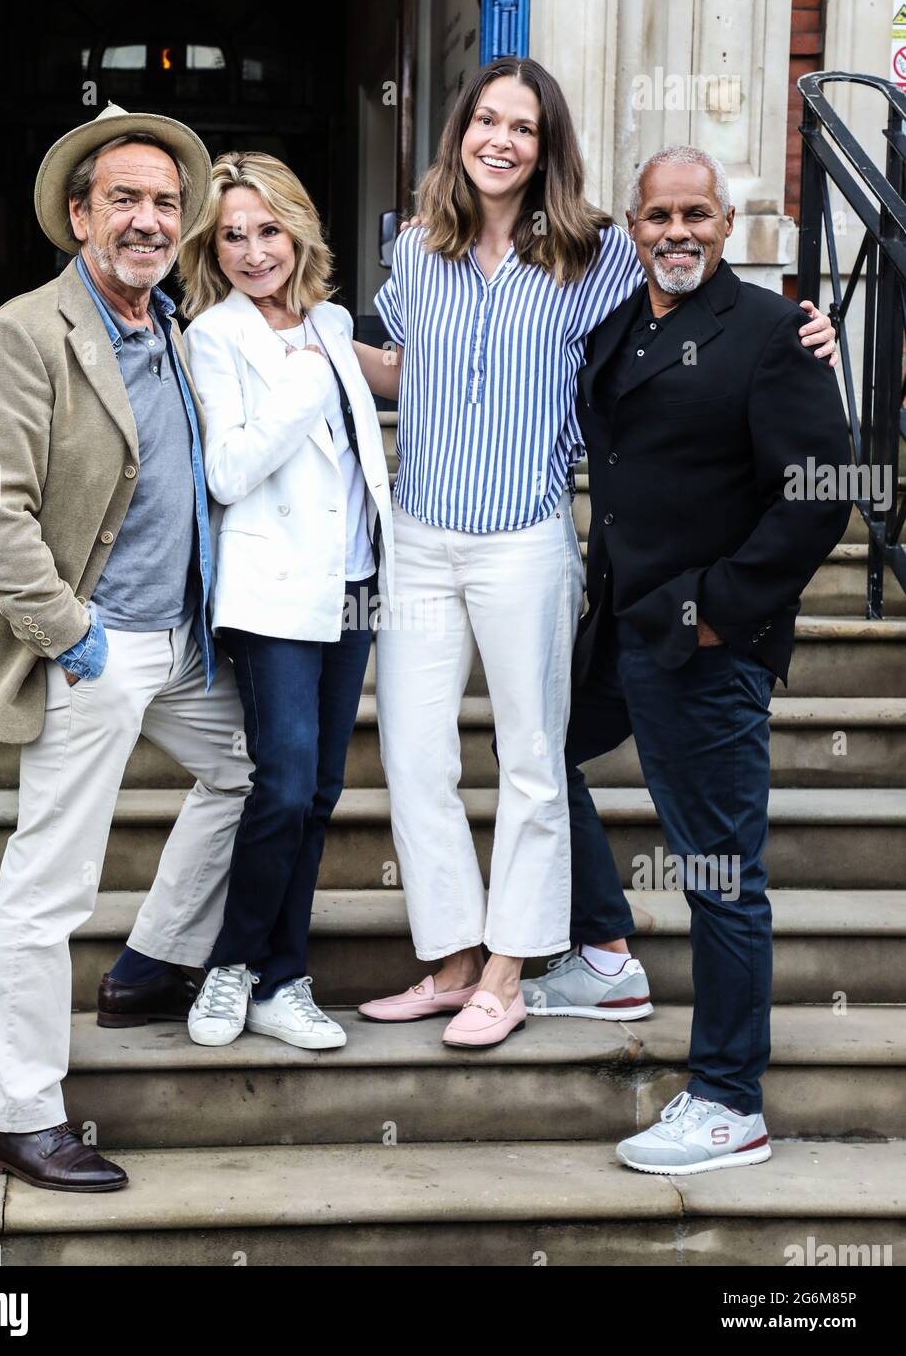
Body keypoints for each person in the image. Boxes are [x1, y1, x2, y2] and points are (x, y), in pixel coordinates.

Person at [354, 57, 836, 1047]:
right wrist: (289, 331)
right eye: (485, 120)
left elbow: (696, 296)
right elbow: (398, 369)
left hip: (527, 536)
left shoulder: (596, 253)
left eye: (523, 127)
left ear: (546, 147)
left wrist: (806, 327)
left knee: (533, 757)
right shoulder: (415, 249)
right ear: (459, 134)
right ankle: (448, 958)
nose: (500, 139)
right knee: (413, 753)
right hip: (419, 533)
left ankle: (507, 970)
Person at [0, 103, 251, 1192]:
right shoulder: (27, 332)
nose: (149, 219)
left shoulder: (178, 326)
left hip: (183, 644)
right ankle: (21, 1115)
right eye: (126, 199)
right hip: (94, 644)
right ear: (80, 216)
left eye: (166, 202)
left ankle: (151, 960)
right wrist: (76, 638)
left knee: (248, 773)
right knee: (48, 884)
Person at [522, 145, 851, 1174]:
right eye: (658, 214)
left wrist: (719, 613)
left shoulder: (769, 330)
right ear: (633, 223)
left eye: (697, 215)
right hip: (621, 624)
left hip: (704, 642)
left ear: (729, 222)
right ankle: (606, 953)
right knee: (541, 756)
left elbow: (820, 492)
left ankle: (727, 1097)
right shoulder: (622, 320)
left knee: (718, 872)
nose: (677, 232)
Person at [177, 153, 395, 1049]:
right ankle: (231, 967)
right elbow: (225, 472)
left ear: (298, 228)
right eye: (231, 235)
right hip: (269, 594)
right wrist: (306, 379)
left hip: (351, 585)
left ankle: (283, 978)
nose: (252, 251)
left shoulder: (334, 321)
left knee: (322, 791)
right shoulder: (213, 337)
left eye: (267, 229)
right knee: (283, 781)